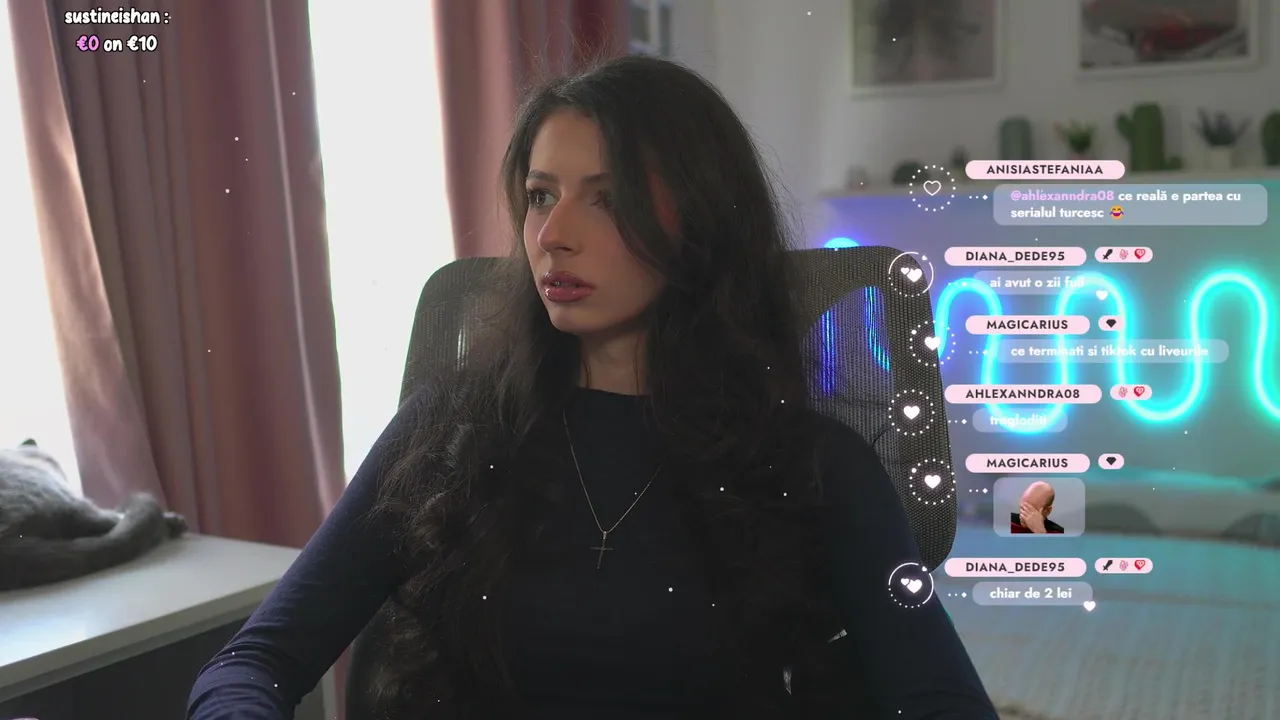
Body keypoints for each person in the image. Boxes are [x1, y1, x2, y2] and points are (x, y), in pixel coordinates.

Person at [187, 55, 996, 719]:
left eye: (608, 200)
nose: (553, 235)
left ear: (702, 224)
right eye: (541, 196)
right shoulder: (450, 430)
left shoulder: (816, 465)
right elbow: (254, 661)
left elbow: (942, 700)